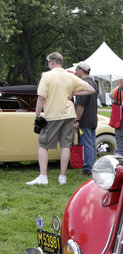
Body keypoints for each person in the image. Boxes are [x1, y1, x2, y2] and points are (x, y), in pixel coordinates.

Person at [27, 51, 96, 186]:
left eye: (48, 62)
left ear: (52, 62)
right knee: (65, 146)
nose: (48, 65)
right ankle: (62, 176)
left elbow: (41, 98)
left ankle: (43, 176)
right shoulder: (69, 76)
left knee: (43, 145)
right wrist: (73, 93)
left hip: (52, 115)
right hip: (69, 115)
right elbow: (91, 90)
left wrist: (36, 116)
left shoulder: (46, 76)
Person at [73, 61, 98, 176]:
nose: (75, 71)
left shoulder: (83, 84)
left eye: (77, 69)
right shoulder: (93, 82)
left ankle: (88, 168)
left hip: (85, 120)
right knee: (92, 144)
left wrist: (77, 120)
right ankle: (93, 165)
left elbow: (80, 105)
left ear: (81, 70)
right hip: (93, 118)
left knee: (86, 144)